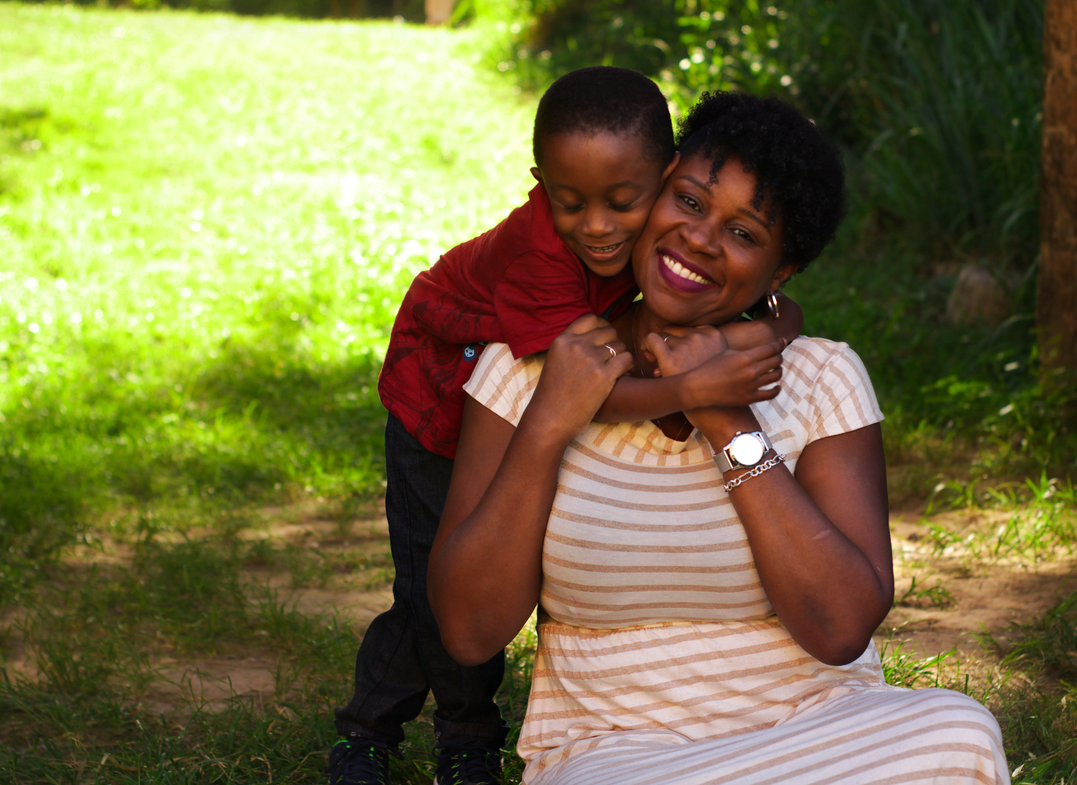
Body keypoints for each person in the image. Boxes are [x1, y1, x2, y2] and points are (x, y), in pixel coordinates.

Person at [428, 91, 1011, 785]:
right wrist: (550, 421)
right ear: (655, 191)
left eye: (744, 234)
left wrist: (724, 415)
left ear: (780, 272)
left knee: (959, 732)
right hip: (618, 753)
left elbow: (840, 626)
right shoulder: (530, 369)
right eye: (692, 202)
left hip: (817, 730)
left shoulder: (823, 378)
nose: (701, 239)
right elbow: (467, 629)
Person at [329, 69, 802, 785]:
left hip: (501, 401)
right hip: (438, 401)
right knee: (438, 580)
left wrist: (776, 324)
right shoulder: (544, 257)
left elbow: (743, 307)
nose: (598, 226)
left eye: (623, 201)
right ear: (540, 182)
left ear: (665, 172)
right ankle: (411, 733)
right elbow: (579, 394)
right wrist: (690, 389)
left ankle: (463, 729)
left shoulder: (659, 229)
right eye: (569, 201)